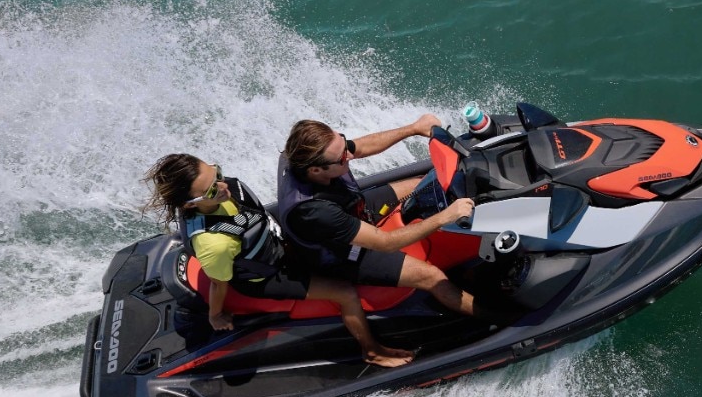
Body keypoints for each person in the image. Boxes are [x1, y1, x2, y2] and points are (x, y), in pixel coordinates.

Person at [142, 154, 413, 368]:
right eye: (212, 191)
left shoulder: (229, 188)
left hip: (280, 242)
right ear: (191, 204)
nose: (223, 187)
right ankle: (373, 351)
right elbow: (219, 282)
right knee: (345, 293)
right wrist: (216, 315)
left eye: (218, 175)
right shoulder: (213, 243)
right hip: (268, 275)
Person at [277, 115, 479, 316]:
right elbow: (385, 242)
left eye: (343, 143)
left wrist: (414, 128)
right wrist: (445, 217)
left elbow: (360, 147)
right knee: (432, 277)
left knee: (423, 184)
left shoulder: (305, 151)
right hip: (343, 254)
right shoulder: (314, 211)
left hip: (353, 207)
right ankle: (495, 318)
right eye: (342, 157)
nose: (349, 155)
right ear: (316, 170)